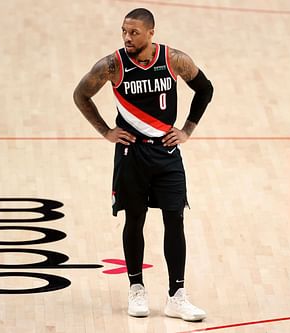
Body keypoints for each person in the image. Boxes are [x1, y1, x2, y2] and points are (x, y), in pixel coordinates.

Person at [73, 8, 213, 321]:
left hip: (166, 153)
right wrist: (106, 131)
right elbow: (81, 95)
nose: (127, 37)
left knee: (174, 220)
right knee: (134, 219)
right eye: (124, 31)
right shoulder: (112, 65)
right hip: (131, 155)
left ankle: (177, 295)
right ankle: (136, 288)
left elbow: (205, 89)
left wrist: (187, 129)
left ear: (151, 33)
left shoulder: (174, 60)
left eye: (134, 32)